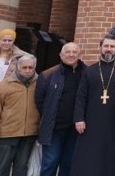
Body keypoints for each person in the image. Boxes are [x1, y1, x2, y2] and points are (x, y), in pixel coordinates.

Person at [72, 36, 115, 176]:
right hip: (91, 120)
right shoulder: (89, 71)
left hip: (114, 121)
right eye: (106, 46)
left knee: (110, 152)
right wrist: (79, 118)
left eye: (112, 46)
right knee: (89, 153)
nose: (108, 49)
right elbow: (81, 96)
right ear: (100, 48)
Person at [35, 42, 84, 176]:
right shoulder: (47, 75)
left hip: (76, 129)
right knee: (50, 163)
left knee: (69, 164)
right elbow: (39, 101)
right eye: (68, 52)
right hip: (54, 128)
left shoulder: (87, 73)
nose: (71, 54)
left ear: (80, 55)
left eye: (75, 52)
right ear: (61, 55)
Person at [0, 56, 41, 176]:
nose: (27, 70)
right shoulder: (5, 85)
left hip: (29, 135)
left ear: (34, 68)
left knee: (21, 169)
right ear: (18, 67)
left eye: (30, 67)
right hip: (8, 134)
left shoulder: (40, 84)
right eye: (24, 67)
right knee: (2, 169)